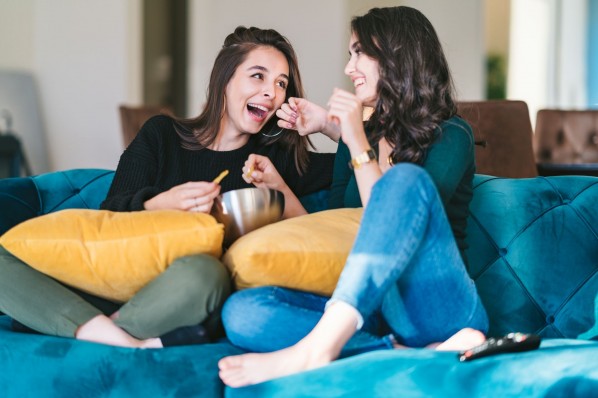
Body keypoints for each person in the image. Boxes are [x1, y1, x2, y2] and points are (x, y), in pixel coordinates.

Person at [0, 26, 333, 349]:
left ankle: (81, 326)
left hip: (179, 293)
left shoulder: (276, 159)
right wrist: (161, 204)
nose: (271, 92)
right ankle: (126, 340)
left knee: (208, 274)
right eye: (258, 76)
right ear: (225, 79)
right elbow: (110, 215)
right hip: (111, 276)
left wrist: (328, 127)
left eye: (281, 83)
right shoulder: (161, 134)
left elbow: (369, 166)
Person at [218, 6, 489, 387]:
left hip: (436, 305)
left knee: (405, 181)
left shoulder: (451, 135)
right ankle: (399, 353)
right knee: (242, 312)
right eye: (350, 54)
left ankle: (319, 349)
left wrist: (352, 136)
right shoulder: (355, 135)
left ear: (397, 56)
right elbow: (337, 228)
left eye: (360, 52)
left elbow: (396, 222)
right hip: (371, 313)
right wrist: (280, 187)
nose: (350, 68)